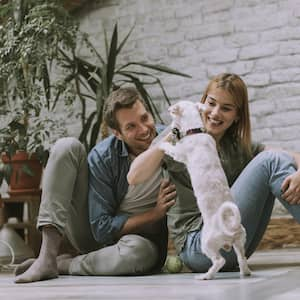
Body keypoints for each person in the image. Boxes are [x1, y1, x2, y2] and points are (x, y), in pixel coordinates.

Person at [127, 73, 300, 272]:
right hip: (198, 246)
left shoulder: (236, 146)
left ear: (237, 116)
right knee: (271, 161)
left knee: (277, 160)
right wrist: (174, 134)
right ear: (202, 103)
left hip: (235, 243)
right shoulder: (180, 137)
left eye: (226, 108)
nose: (215, 113)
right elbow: (134, 176)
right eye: (212, 103)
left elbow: (289, 156)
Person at [14, 87, 176, 283]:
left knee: (139, 254)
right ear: (117, 133)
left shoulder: (169, 140)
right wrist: (154, 214)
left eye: (144, 118)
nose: (143, 130)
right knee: (67, 147)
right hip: (94, 237)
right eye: (131, 126)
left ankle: (63, 265)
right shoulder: (104, 156)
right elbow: (101, 228)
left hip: (139, 243)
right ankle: (47, 256)